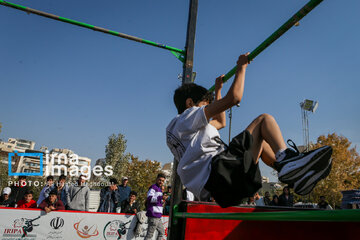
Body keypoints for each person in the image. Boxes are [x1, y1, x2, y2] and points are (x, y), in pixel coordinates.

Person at [166, 53, 333, 207]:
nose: (208, 110)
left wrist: (218, 90)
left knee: (260, 140)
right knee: (264, 120)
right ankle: (288, 161)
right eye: (205, 106)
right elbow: (234, 98)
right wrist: (241, 67)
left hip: (224, 189)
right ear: (189, 103)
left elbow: (220, 122)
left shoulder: (187, 134)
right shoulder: (186, 117)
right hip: (221, 172)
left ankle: (293, 175)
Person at [145, 173, 165, 240]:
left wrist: (162, 201)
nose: (161, 182)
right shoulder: (153, 187)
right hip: (153, 214)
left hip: (157, 215)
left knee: (162, 232)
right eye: (159, 180)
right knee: (149, 235)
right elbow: (149, 198)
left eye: (162, 181)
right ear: (156, 179)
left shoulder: (159, 189)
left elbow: (158, 201)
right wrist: (160, 198)